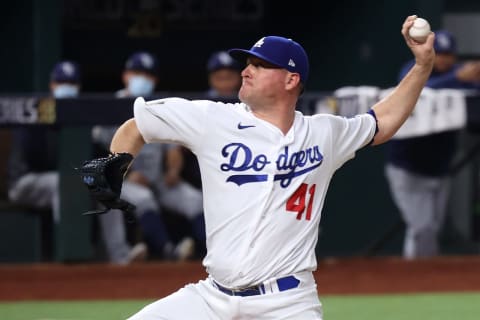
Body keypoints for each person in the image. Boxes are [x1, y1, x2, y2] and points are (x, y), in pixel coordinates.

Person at [82, 15, 434, 319]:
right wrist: (118, 164)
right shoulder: (212, 119)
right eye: (248, 62)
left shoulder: (324, 133)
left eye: (261, 64)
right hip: (213, 297)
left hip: (288, 303)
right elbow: (136, 126)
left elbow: (381, 122)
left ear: (291, 79)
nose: (246, 70)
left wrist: (422, 67)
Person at [92, 51, 197, 263]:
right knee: (143, 198)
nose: (142, 78)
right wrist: (125, 174)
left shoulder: (160, 106)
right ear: (125, 76)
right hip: (125, 180)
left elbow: (173, 150)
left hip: (158, 180)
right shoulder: (110, 106)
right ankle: (169, 250)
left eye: (147, 74)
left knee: (195, 200)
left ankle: (208, 255)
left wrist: (173, 170)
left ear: (155, 80)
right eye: (137, 72)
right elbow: (99, 152)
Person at [385, 30, 480, 260]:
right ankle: (412, 279)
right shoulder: (413, 69)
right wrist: (459, 79)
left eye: (449, 54)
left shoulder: (460, 73)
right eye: (440, 53)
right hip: (406, 166)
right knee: (421, 228)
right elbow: (412, 93)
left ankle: (425, 281)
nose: (444, 59)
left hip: (439, 167)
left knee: (431, 229)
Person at [7, 61, 83, 259]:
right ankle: (66, 251)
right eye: (61, 82)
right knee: (62, 184)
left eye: (71, 82)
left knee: (98, 189)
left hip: (54, 180)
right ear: (52, 85)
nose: (66, 86)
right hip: (23, 181)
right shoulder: (38, 110)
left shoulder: (80, 116)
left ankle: (119, 258)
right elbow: (33, 156)